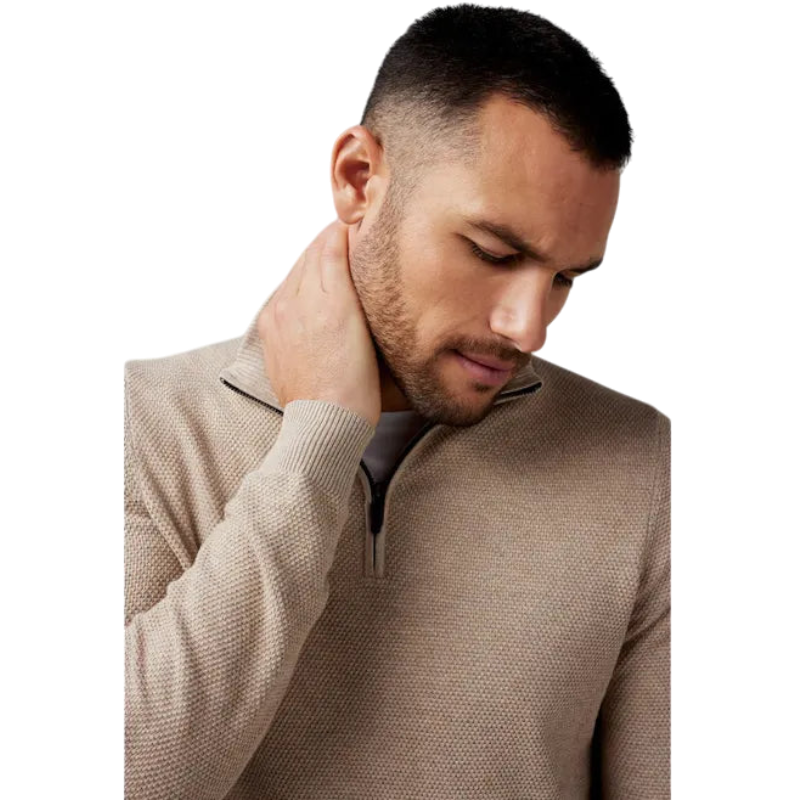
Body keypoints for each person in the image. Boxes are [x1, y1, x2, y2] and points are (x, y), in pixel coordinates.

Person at [123, 4, 671, 798]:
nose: (530, 327)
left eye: (565, 279)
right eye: (493, 252)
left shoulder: (641, 462)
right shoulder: (142, 420)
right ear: (358, 178)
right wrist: (318, 443)